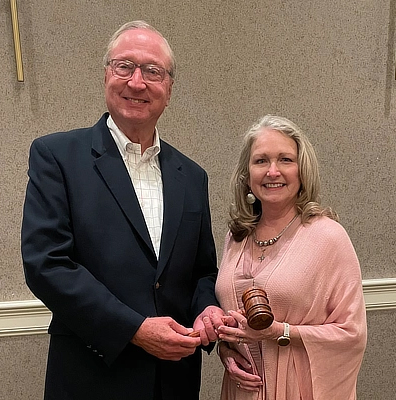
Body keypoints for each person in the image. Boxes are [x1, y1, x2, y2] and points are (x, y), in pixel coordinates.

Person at [21, 20, 224, 400]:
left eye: (152, 71)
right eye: (124, 66)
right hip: (92, 378)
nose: (137, 82)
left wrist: (207, 307)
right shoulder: (57, 157)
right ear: (105, 75)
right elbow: (47, 265)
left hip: (174, 382)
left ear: (169, 88)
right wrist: (135, 330)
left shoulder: (192, 176)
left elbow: (202, 271)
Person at [212, 115, 367, 399]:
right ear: (247, 175)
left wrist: (278, 332)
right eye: (261, 161)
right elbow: (231, 315)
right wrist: (226, 348)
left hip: (298, 389)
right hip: (241, 390)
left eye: (285, 159)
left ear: (302, 170)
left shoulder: (328, 237)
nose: (273, 171)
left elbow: (351, 334)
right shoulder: (237, 237)